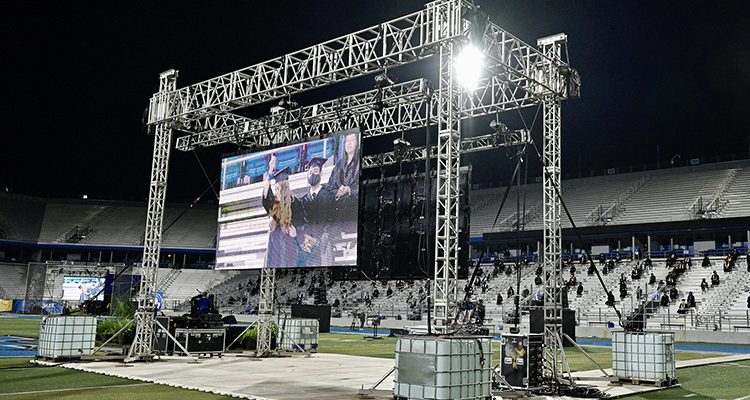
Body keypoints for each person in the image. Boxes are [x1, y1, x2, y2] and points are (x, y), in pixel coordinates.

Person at [262, 157, 301, 268]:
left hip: (288, 244)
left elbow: (301, 224)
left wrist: (296, 234)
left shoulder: (295, 202)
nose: (275, 192)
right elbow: (265, 197)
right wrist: (270, 172)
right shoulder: (275, 203)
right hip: (275, 244)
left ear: (284, 189)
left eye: (277, 189)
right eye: (275, 189)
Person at [298, 157, 335, 267]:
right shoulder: (303, 200)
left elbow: (332, 221)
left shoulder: (328, 196)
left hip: (323, 243)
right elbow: (302, 223)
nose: (311, 175)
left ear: (321, 173)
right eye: (309, 173)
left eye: (315, 171)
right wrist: (306, 237)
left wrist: (318, 238)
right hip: (307, 245)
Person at [327, 132, 360, 203]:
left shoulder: (360, 162)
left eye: (352, 140)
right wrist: (338, 192)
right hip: (339, 206)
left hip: (354, 204)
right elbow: (329, 188)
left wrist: (349, 189)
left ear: (357, 143)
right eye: (347, 141)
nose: (349, 143)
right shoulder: (338, 166)